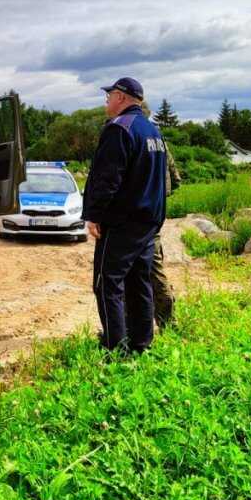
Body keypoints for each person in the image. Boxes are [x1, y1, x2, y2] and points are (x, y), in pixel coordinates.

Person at [82, 77, 168, 353]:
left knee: (107, 283)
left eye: (109, 95)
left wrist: (94, 215)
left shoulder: (119, 129)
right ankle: (142, 343)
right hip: (148, 221)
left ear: (121, 97)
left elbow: (108, 179)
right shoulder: (153, 131)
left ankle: (115, 348)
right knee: (138, 282)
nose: (106, 100)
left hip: (122, 222)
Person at [152, 146, 181, 329]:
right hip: (157, 209)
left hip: (138, 213)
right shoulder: (159, 140)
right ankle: (168, 323)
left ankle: (167, 323)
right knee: (155, 267)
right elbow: (176, 179)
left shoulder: (132, 135)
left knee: (149, 270)